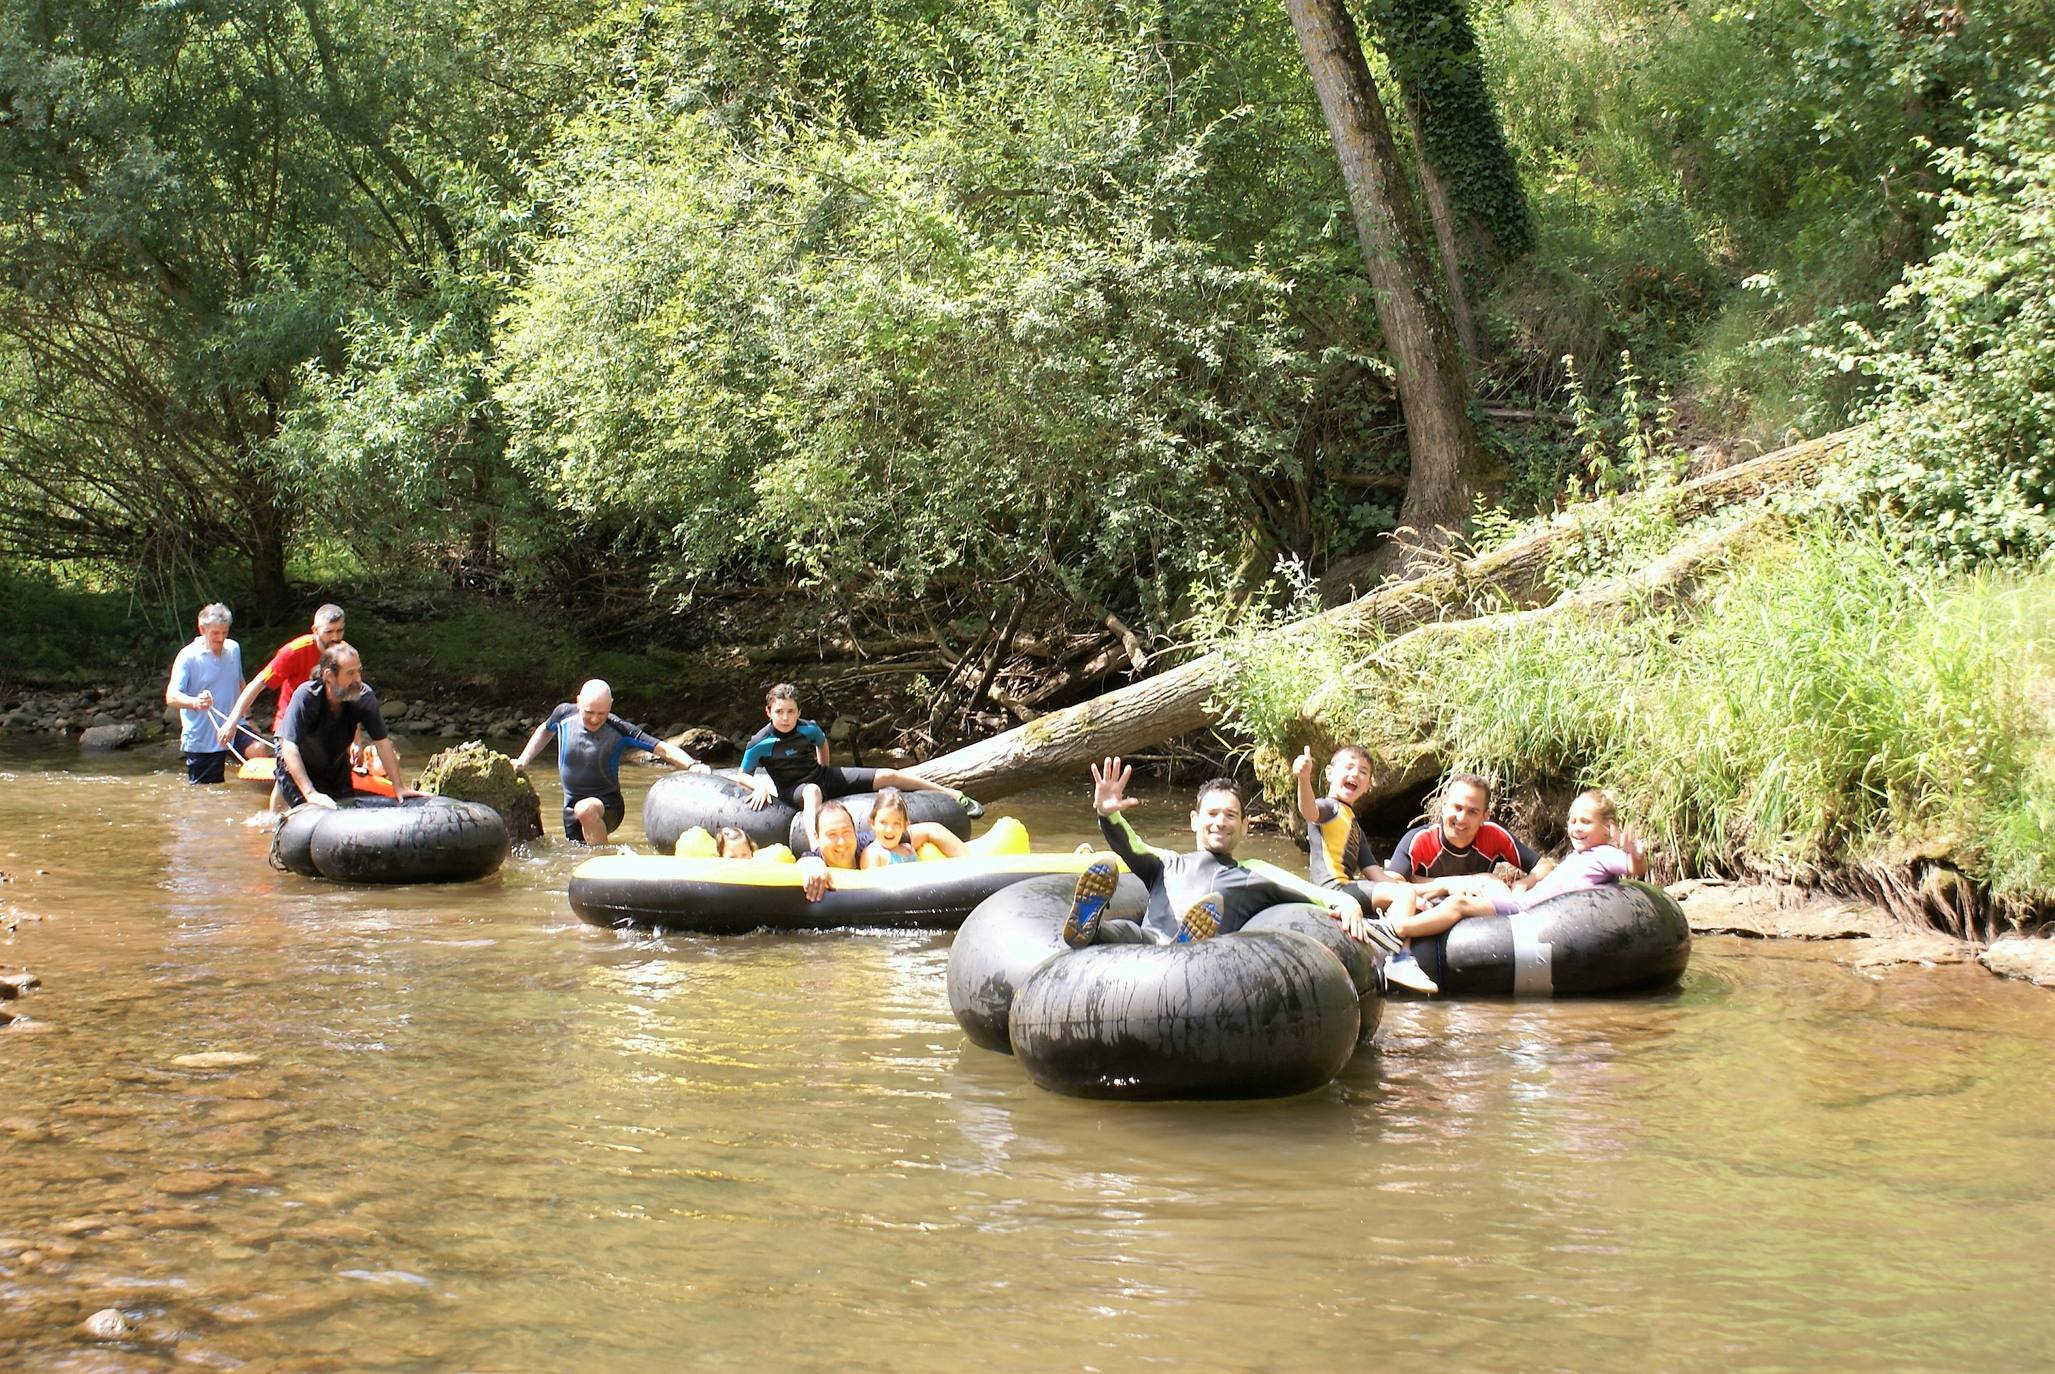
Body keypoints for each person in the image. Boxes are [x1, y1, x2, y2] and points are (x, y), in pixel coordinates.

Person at [1060, 756, 1400, 953]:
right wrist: (1108, 814)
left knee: (1188, 944)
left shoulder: (1254, 872)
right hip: (1149, 945)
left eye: (1230, 816)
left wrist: (1347, 902)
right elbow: (1128, 843)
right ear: (1194, 821)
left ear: (1245, 827)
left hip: (1208, 963)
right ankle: (1092, 926)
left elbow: (1309, 892)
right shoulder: (1165, 863)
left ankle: (1186, 942)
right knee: (1127, 932)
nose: (1220, 822)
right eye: (1211, 814)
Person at [740, 683, 983, 848]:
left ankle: (952, 793)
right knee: (812, 791)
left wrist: (824, 768)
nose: (785, 718)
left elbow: (822, 744)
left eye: (790, 712)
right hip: (793, 789)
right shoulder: (760, 742)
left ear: (798, 711)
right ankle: (816, 845)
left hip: (821, 776)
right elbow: (743, 774)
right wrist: (759, 786)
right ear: (768, 712)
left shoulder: (808, 728)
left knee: (889, 774)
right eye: (779, 712)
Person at [1399, 790, 1649, 936]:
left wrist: (1635, 853)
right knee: (1457, 897)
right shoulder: (1579, 856)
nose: (1576, 829)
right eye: (1572, 822)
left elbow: (1635, 868)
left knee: (1459, 904)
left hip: (1525, 912)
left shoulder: (1604, 854)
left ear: (1608, 828)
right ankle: (1410, 918)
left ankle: (1401, 928)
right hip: (1522, 904)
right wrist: (1524, 884)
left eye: (1585, 822)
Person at [1378, 773, 1542, 991]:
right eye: (1456, 807)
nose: (1462, 818)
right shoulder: (1420, 839)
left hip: (1475, 925)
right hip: (1426, 913)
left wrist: (1524, 883)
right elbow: (1389, 886)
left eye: (1472, 812)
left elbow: (1544, 866)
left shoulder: (1494, 836)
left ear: (1485, 816)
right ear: (1444, 807)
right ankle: (1398, 959)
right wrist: (1448, 884)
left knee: (1491, 882)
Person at [1291, 744, 1434, 990]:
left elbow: (1375, 874)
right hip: (1333, 889)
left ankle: (1383, 933)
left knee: (1405, 891)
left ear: (1368, 786)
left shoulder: (1354, 826)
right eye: (1348, 767)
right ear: (1329, 774)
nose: (1355, 774)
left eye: (1363, 771)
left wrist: (1415, 897)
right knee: (1405, 893)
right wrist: (1303, 779)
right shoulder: (1329, 808)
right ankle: (1399, 957)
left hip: (1346, 888)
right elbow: (1309, 810)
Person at [512, 680, 709, 844]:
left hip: (608, 806)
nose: (596, 719)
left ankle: (603, 863)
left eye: (602, 713)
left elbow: (662, 748)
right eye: (589, 712)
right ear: (578, 701)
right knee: (576, 854)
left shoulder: (619, 729)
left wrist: (692, 765)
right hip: (570, 809)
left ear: (611, 706)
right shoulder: (563, 715)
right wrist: (523, 760)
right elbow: (545, 731)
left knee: (586, 809)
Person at [218, 603, 350, 811]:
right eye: (329, 632)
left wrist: (356, 741)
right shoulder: (294, 651)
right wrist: (232, 721)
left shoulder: (345, 654)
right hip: (289, 722)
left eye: (340, 631)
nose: (335, 637)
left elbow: (349, 698)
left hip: (324, 723)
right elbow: (258, 684)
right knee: (287, 774)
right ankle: (273, 821)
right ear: (315, 631)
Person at [275, 643, 420, 810]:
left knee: (346, 812)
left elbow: (382, 742)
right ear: (329, 676)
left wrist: (398, 786)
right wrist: (310, 793)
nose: (358, 679)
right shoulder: (307, 696)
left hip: (334, 763)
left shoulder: (364, 697)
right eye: (350, 673)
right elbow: (289, 747)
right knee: (311, 813)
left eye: (359, 671)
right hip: (296, 763)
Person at [797, 799, 965, 898]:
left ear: (855, 832)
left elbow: (931, 829)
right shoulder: (814, 859)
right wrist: (813, 866)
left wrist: (973, 863)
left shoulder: (869, 844)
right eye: (831, 834)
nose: (841, 842)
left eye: (846, 832)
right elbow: (804, 861)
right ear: (817, 838)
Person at [164, 603, 252, 785]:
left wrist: (249, 718)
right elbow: (171, 696)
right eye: (215, 633)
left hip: (235, 725)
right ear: (202, 629)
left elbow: (240, 684)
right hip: (203, 737)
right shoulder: (188, 656)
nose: (221, 639)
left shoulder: (234, 649)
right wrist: (195, 702)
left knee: (259, 754)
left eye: (225, 633)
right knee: (207, 793)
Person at [860, 788, 966, 868]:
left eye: (896, 823)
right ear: (872, 823)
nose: (889, 830)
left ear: (905, 826)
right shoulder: (873, 854)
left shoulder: (908, 848)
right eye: (883, 822)